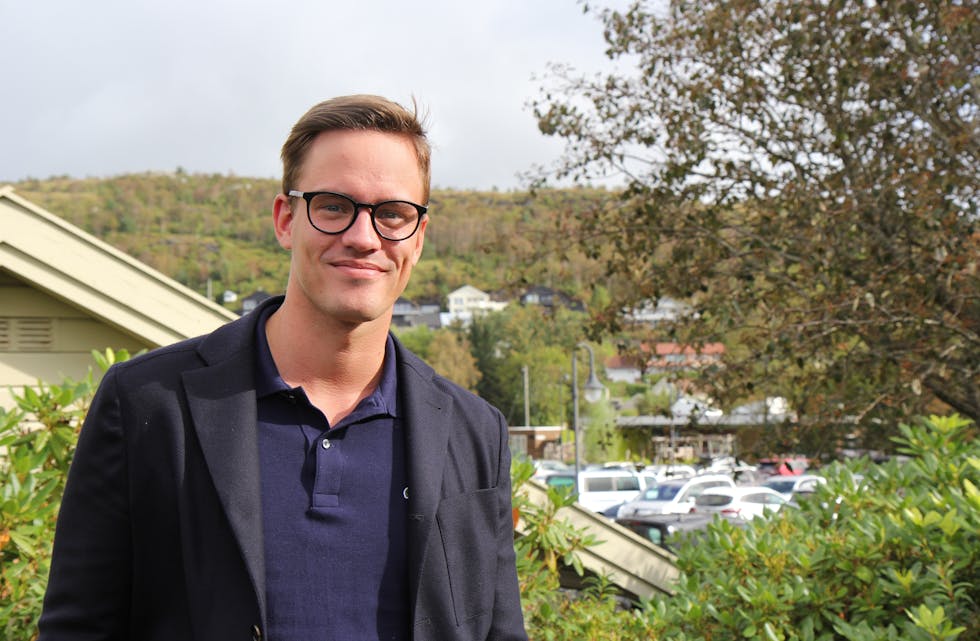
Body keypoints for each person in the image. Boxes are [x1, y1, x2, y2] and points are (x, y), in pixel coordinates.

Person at [38, 95, 528, 641]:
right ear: (285, 219)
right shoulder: (148, 403)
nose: (364, 237)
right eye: (334, 205)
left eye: (392, 213)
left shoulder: (475, 431)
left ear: (418, 236)